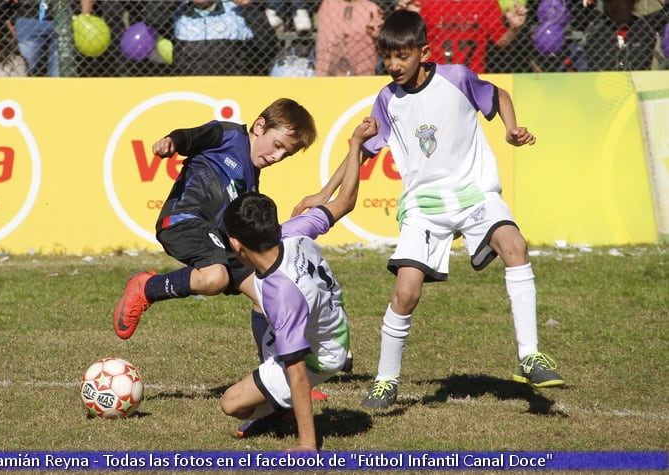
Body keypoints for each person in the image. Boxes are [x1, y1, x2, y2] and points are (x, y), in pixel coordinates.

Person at [357, 9, 565, 410]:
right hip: (424, 205)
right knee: (405, 292)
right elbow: (363, 151)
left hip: (473, 195)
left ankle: (530, 355)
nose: (393, 65)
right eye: (387, 56)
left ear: (424, 51)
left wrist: (509, 129)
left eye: (402, 56)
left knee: (515, 245)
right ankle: (385, 381)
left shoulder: (456, 77)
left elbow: (498, 94)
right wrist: (328, 190)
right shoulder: (387, 100)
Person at [220, 117, 379, 449]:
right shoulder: (294, 229)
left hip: (321, 354)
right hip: (331, 322)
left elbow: (296, 370)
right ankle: (275, 386)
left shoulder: (282, 294)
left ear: (237, 246)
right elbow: (346, 201)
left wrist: (308, 446)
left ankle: (282, 410)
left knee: (233, 403)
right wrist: (355, 145)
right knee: (255, 298)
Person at [113, 97, 317, 342]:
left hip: (221, 239)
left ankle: (278, 371)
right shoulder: (229, 135)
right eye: (277, 145)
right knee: (214, 278)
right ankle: (146, 287)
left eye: (286, 154)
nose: (277, 156)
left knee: (269, 296)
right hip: (185, 219)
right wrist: (172, 141)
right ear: (260, 126)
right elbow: (190, 137)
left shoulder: (253, 178)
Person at [394, 0, 528, 74]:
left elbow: (501, 42)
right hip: (433, 79)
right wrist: (401, 20)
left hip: (472, 79)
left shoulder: (486, 3)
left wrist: (514, 29)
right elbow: (407, 45)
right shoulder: (426, 3)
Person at [582, 0, 669, 70]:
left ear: (632, 2)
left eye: (620, 1)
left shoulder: (645, 28)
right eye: (609, 1)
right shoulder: (595, 30)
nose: (614, 5)